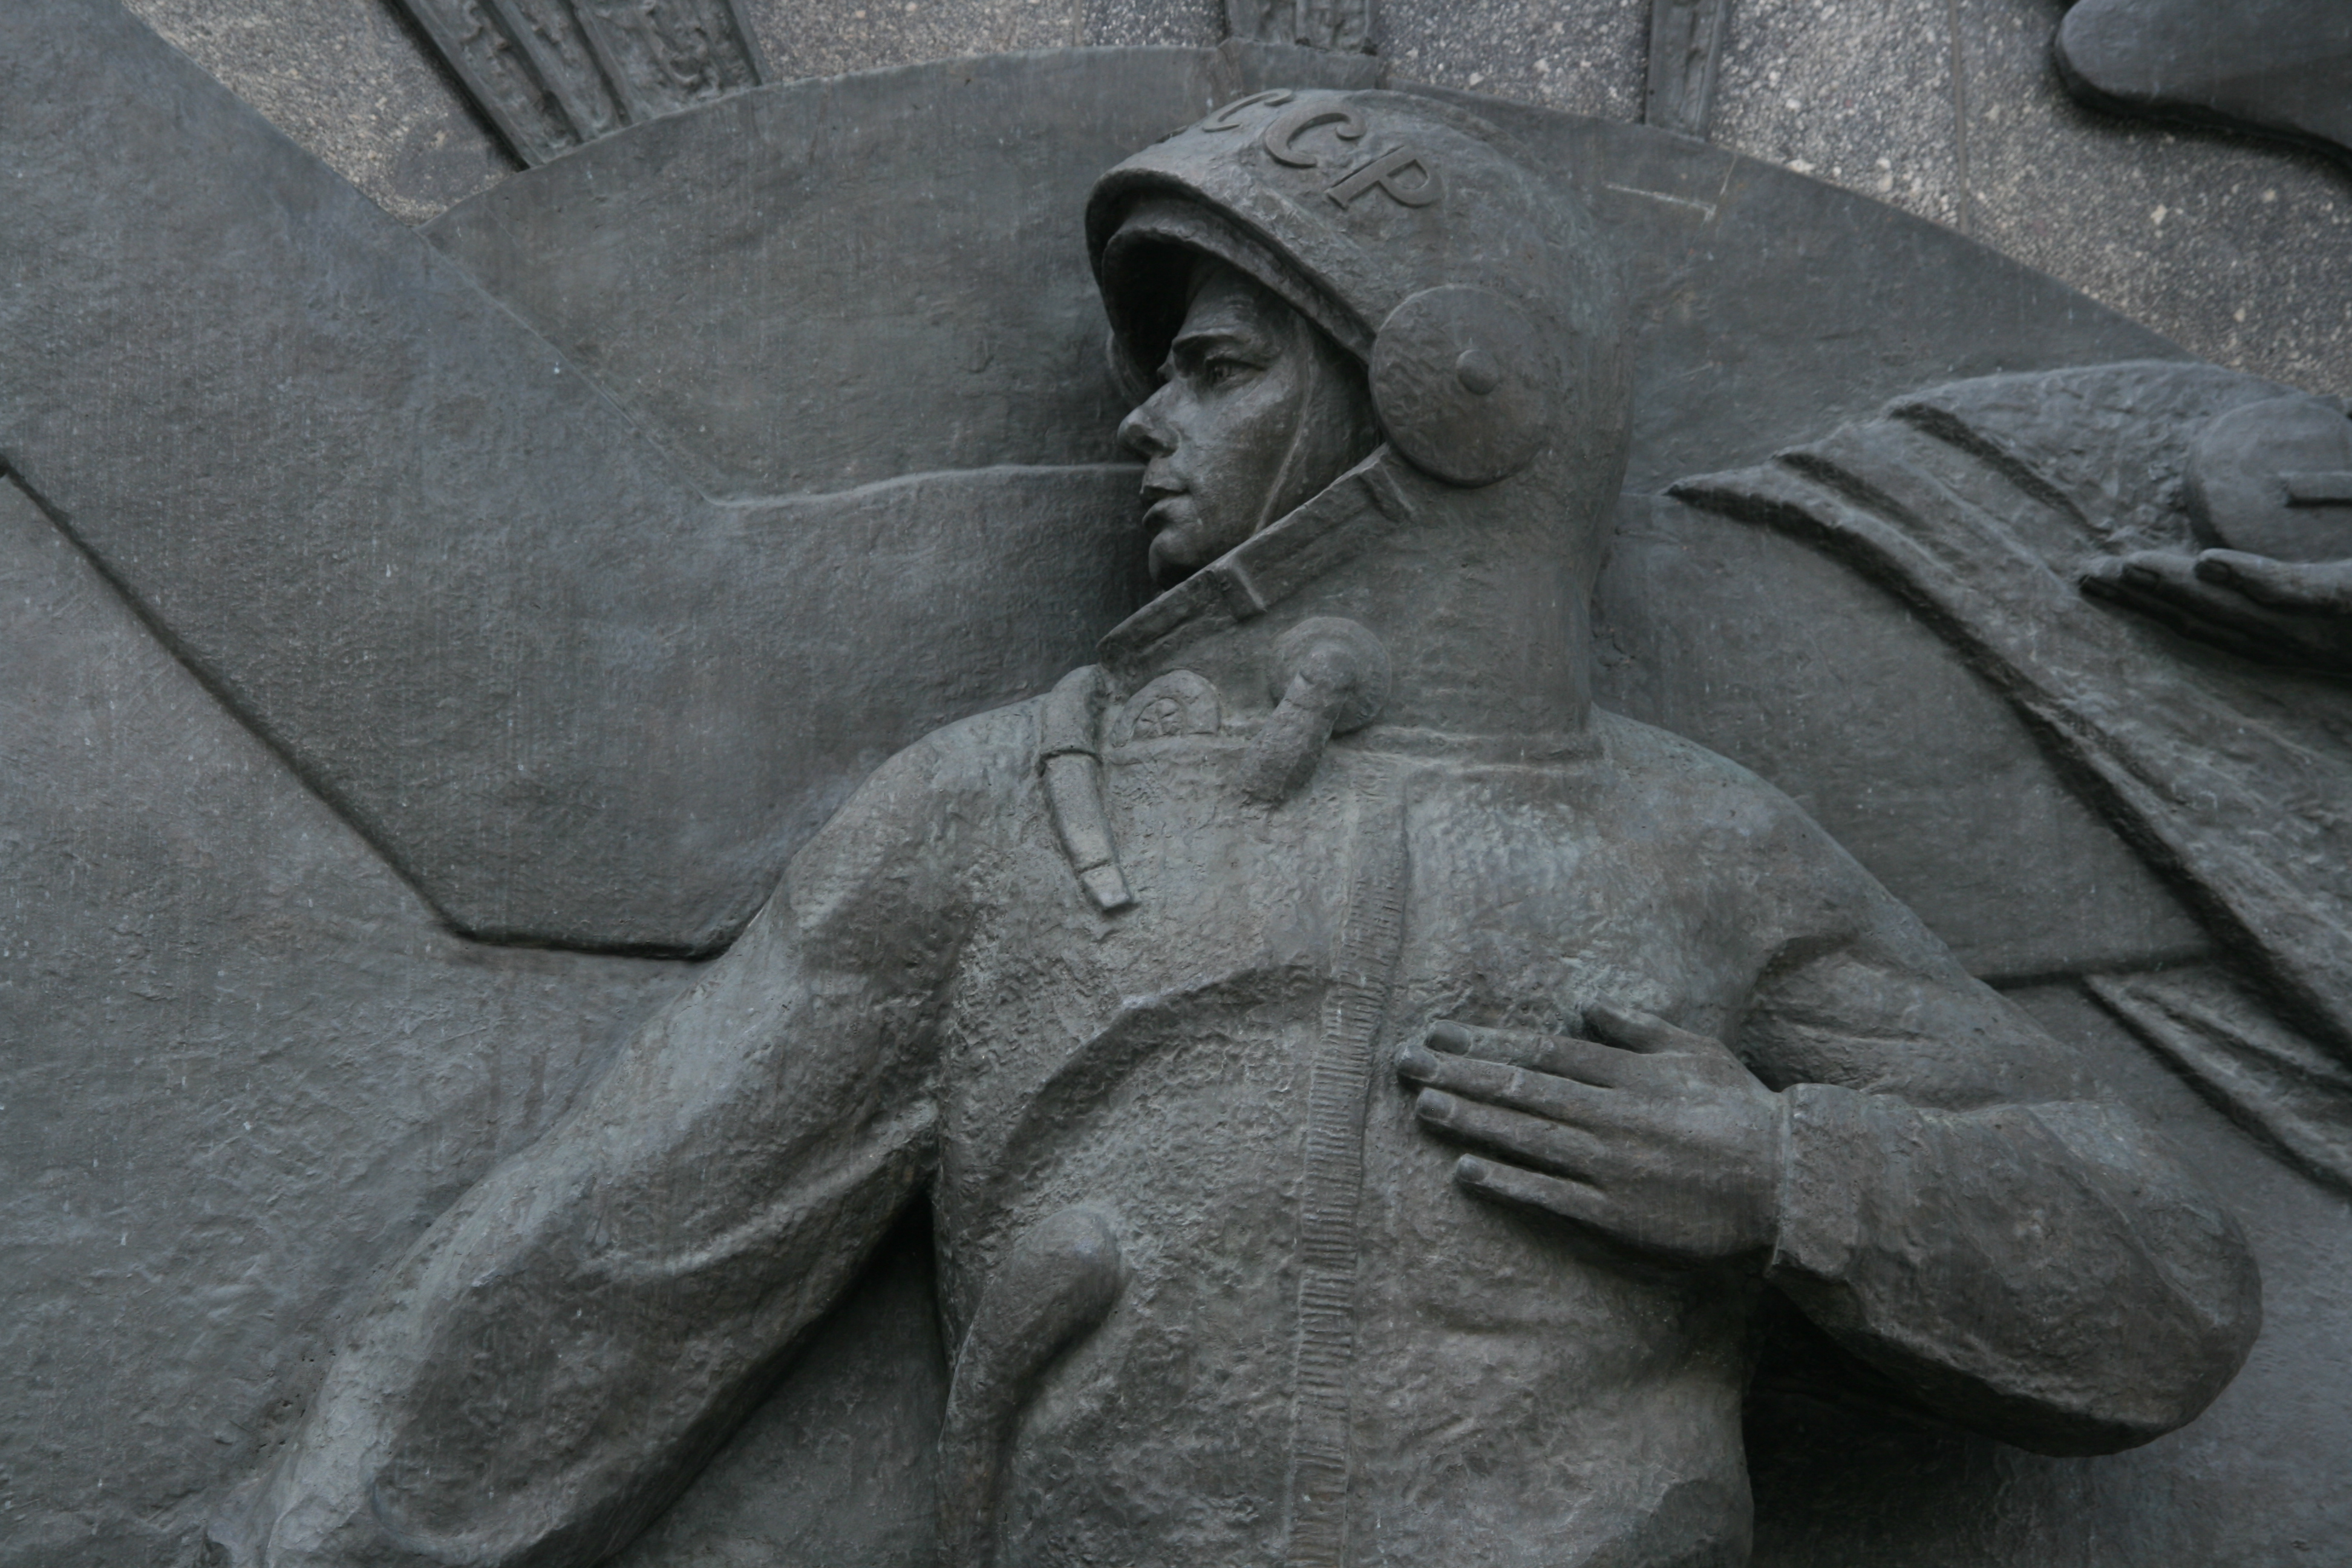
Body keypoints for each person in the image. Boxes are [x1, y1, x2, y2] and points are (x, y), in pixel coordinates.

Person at [215, 90, 2258, 1568]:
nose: (1146, 422)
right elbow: (611, 1275)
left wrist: (1793, 1176)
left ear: (1446, 398)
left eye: (1212, 368)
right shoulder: (1007, 812)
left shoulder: (1700, 847)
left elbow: (2161, 1284)